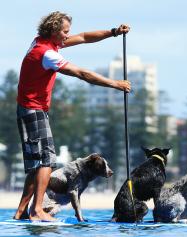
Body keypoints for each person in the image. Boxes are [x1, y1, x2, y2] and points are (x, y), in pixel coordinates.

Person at [13, 11, 131, 221]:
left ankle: (21, 212)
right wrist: (115, 84)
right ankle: (37, 210)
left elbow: (84, 37)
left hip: (28, 109)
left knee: (36, 164)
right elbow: (82, 74)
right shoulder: (47, 54)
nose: (68, 36)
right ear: (53, 31)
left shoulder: (42, 42)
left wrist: (113, 32)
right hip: (34, 110)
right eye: (65, 32)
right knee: (46, 161)